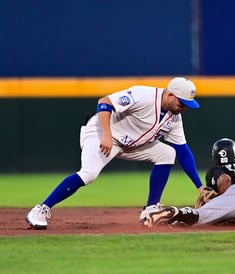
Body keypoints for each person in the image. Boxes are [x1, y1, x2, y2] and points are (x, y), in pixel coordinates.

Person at [25, 77, 205, 229]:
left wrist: (200, 187)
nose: (184, 107)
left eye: (188, 105)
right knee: (89, 174)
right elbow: (104, 102)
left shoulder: (174, 118)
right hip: (101, 133)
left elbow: (183, 152)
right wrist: (107, 135)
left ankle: (151, 209)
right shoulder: (144, 95)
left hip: (130, 144)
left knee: (167, 153)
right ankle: (41, 209)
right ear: (170, 94)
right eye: (182, 102)